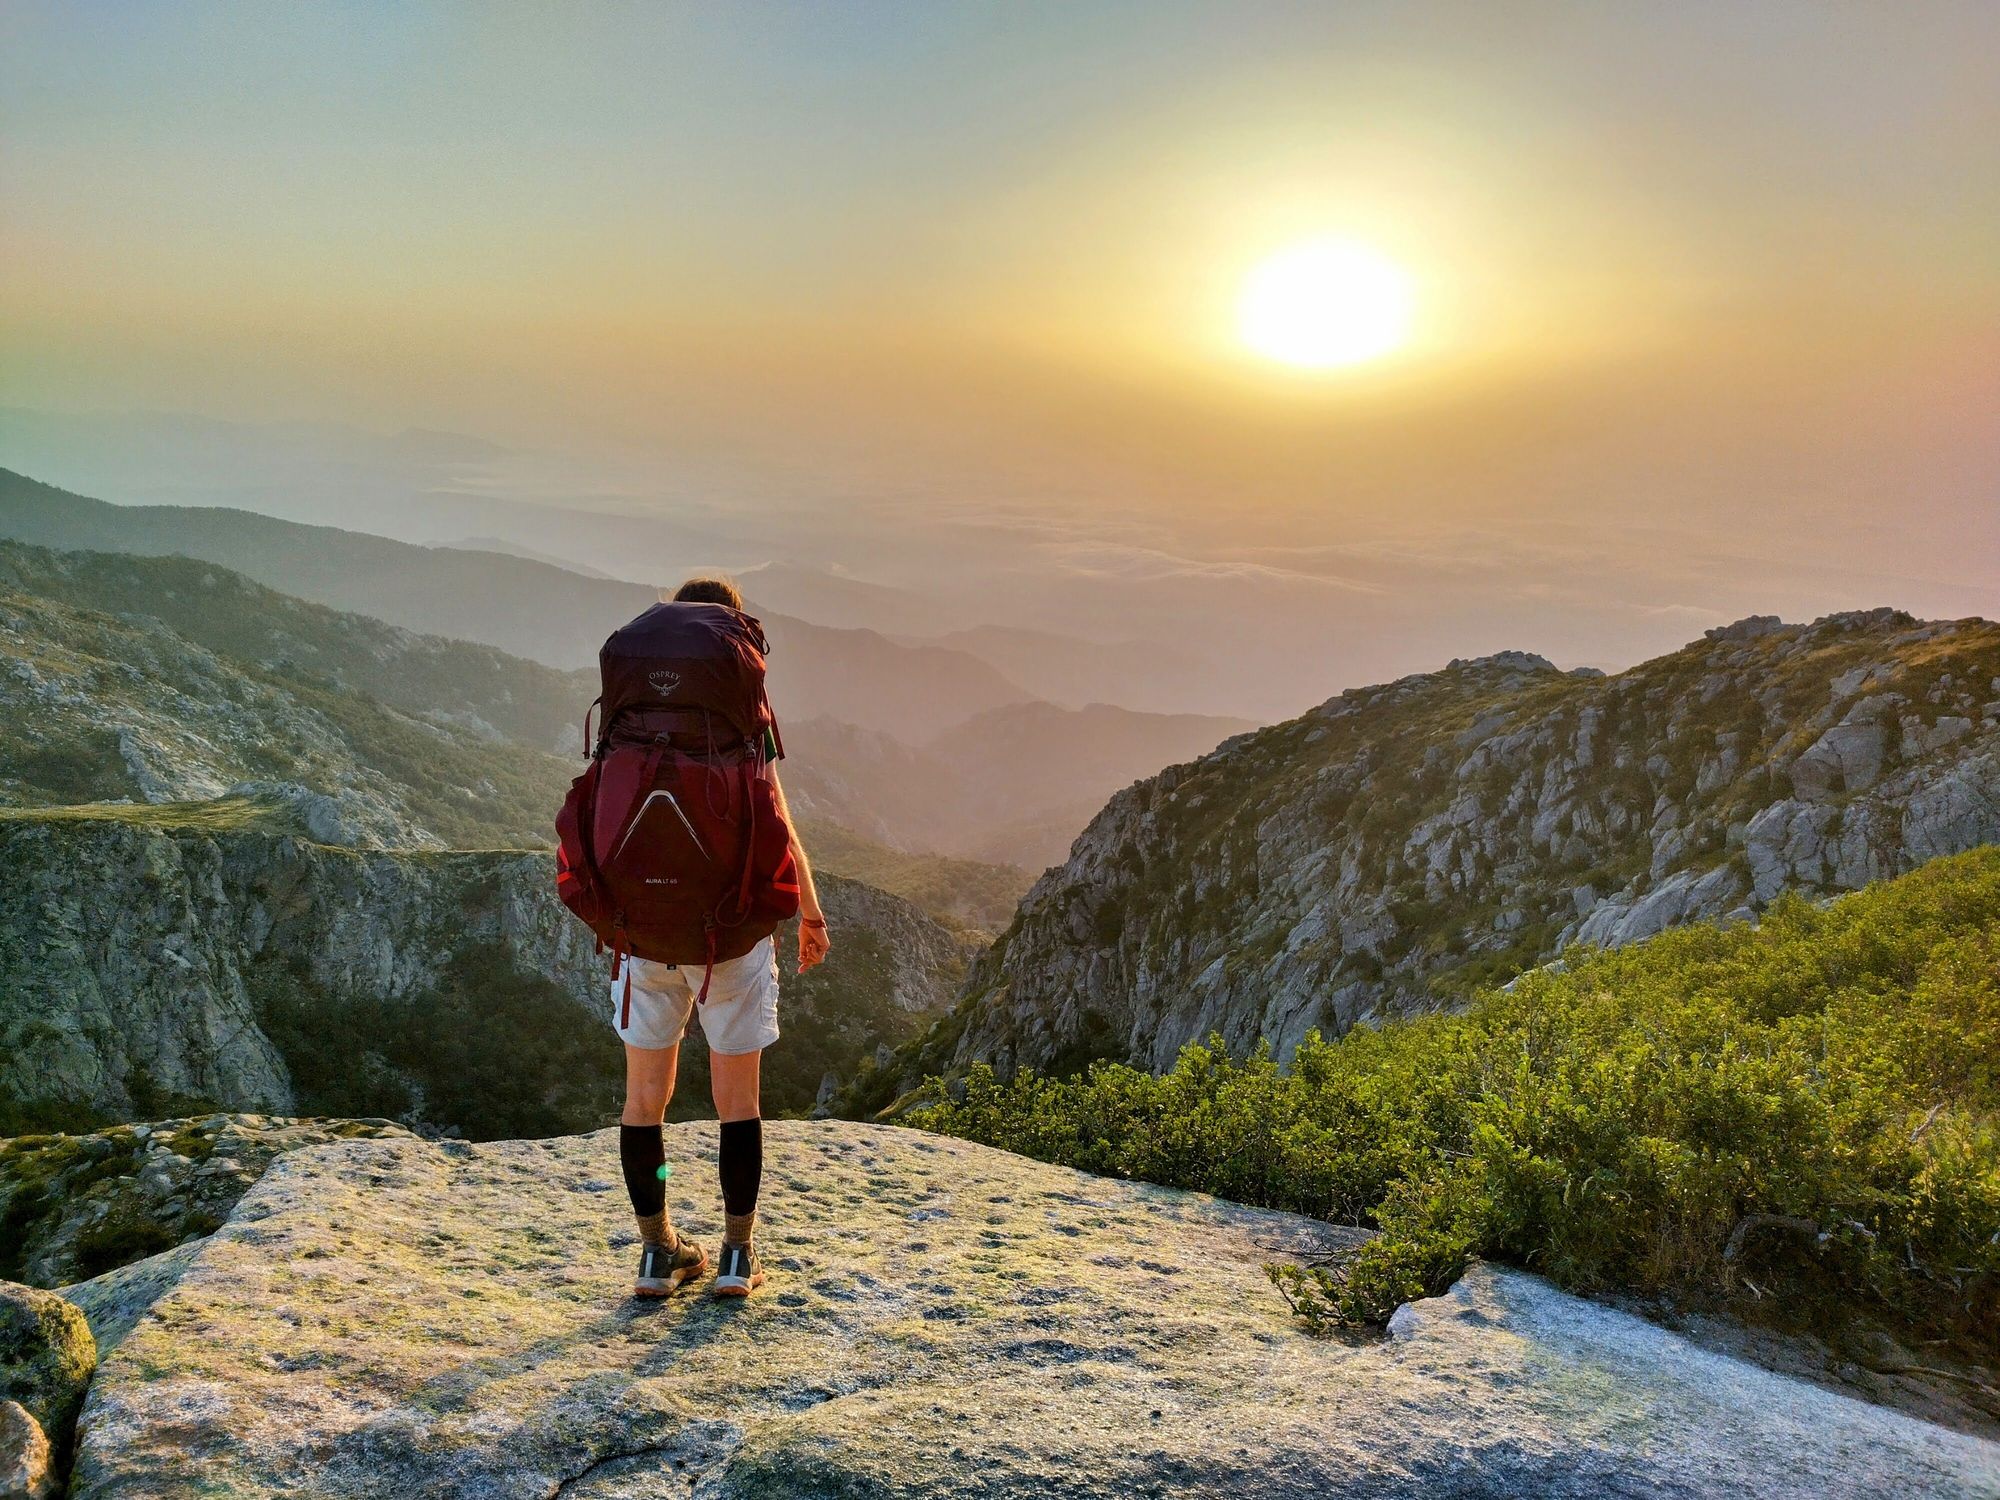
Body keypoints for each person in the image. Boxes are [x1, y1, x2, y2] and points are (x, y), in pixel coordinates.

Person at [613, 575, 829, 1299]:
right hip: (730, 937)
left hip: (643, 930)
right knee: (737, 1102)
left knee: (645, 1101)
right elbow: (773, 813)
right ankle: (736, 1254)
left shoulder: (636, 705)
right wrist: (810, 907)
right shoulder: (743, 710)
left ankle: (657, 1252)